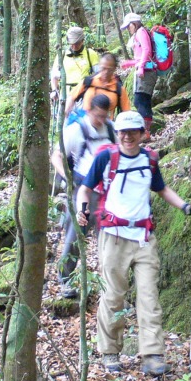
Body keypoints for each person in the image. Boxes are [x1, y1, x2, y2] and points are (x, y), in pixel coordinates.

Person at [75, 110, 191, 376]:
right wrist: (82, 209)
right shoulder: (106, 157)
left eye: (133, 131)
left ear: (142, 133)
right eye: (123, 132)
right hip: (113, 237)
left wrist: (185, 207)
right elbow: (85, 188)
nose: (127, 136)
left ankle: (152, 354)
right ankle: (110, 352)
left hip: (144, 237)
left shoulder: (150, 160)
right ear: (117, 133)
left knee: (149, 296)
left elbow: (161, 189)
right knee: (113, 297)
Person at [51, 94, 115, 299]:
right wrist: (67, 178)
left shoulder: (112, 129)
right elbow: (56, 156)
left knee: (109, 239)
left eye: (104, 116)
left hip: (108, 192)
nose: (100, 120)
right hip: (83, 190)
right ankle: (65, 280)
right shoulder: (77, 130)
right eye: (97, 115)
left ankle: (110, 286)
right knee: (75, 235)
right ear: (89, 111)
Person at [119, 13, 159, 139]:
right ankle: (145, 132)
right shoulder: (139, 33)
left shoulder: (141, 32)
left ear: (134, 24)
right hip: (144, 71)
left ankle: (145, 133)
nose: (128, 29)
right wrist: (130, 63)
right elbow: (141, 55)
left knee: (141, 101)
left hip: (146, 73)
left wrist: (141, 66)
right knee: (142, 101)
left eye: (128, 26)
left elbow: (147, 50)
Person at [67, 52, 131, 118]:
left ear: (114, 69)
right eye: (103, 68)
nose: (106, 72)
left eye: (109, 70)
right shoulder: (89, 81)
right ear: (99, 66)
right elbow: (72, 97)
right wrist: (66, 114)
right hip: (85, 122)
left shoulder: (119, 89)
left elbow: (127, 112)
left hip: (106, 124)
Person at [51, 26, 99, 103]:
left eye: (77, 43)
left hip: (85, 95)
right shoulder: (62, 55)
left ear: (82, 40)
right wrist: (54, 90)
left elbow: (99, 74)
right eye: (71, 43)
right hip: (65, 95)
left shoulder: (90, 53)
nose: (74, 46)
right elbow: (54, 76)